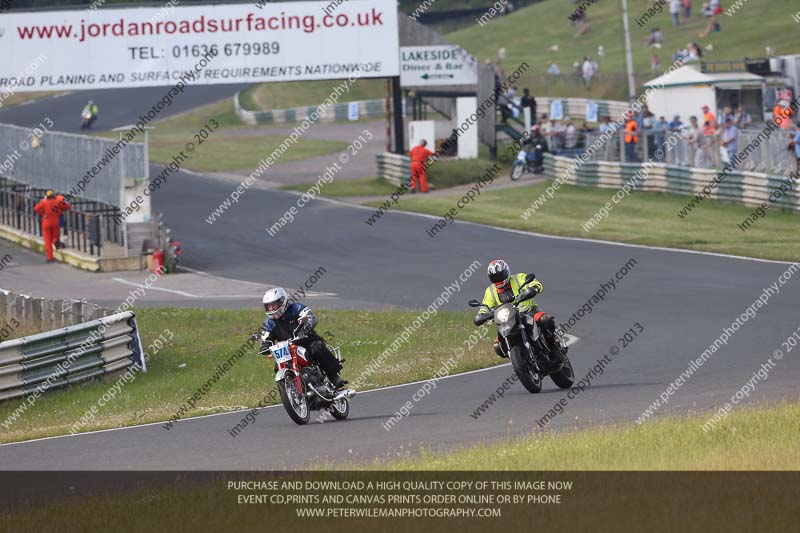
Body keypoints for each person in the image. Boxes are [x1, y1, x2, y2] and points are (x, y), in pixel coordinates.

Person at [257, 288, 347, 389]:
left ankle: (334, 377)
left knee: (317, 348)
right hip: (288, 350)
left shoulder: (296, 308)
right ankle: (291, 390)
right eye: (268, 306)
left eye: (274, 305)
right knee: (278, 367)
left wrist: (306, 328)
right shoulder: (269, 323)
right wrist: (264, 345)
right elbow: (266, 336)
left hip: (306, 341)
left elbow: (310, 317)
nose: (271, 309)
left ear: (282, 301)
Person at [476, 259, 563, 362]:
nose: (498, 279)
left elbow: (535, 283)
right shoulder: (490, 291)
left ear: (506, 272)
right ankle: (520, 359)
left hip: (529, 312)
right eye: (494, 277)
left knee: (544, 319)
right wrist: (481, 315)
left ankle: (554, 344)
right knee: (497, 345)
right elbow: (485, 305)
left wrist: (534, 288)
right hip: (508, 320)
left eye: (500, 275)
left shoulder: (518, 278)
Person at [33, 190, 70, 263]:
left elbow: (36, 208)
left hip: (46, 222)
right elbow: (67, 206)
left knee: (47, 240)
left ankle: (50, 257)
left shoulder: (44, 202)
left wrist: (42, 213)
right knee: (56, 236)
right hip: (55, 222)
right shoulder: (57, 201)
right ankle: (55, 241)